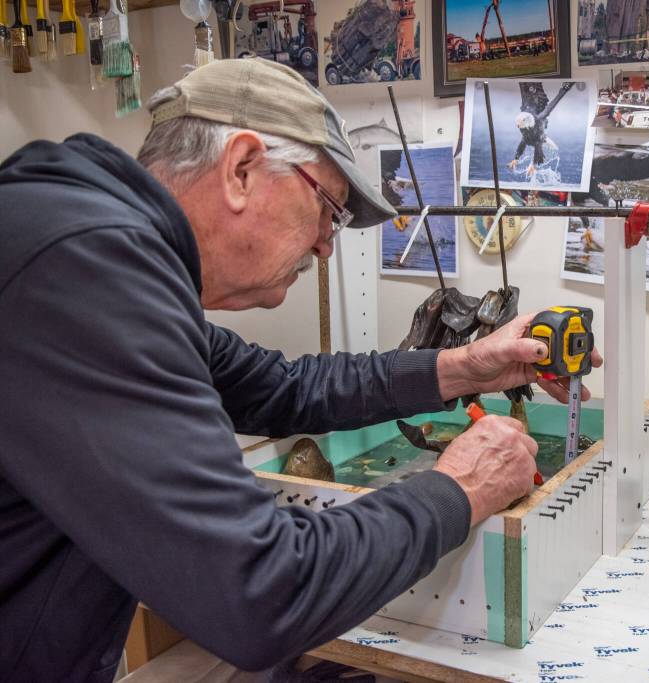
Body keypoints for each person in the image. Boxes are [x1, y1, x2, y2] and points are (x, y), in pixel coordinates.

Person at [0, 58, 600, 680]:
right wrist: (460, 489)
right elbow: (261, 593)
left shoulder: (94, 252)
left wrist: (468, 367)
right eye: (329, 209)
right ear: (241, 168)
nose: (326, 245)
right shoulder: (83, 275)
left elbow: (287, 389)